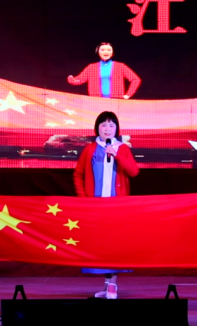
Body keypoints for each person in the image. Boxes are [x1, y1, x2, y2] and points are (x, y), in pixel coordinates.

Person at [73, 111, 140, 299]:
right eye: (103, 125)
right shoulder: (90, 149)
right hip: (95, 205)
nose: (107, 129)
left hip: (117, 205)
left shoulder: (122, 148)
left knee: (115, 243)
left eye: (111, 125)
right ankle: (107, 284)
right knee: (100, 244)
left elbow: (134, 171)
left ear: (117, 129)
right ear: (97, 129)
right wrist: (83, 199)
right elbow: (78, 174)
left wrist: (116, 155)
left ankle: (113, 285)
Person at [67, 42, 142, 99]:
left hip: (116, 101)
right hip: (96, 101)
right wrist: (70, 78)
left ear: (113, 53)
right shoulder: (91, 67)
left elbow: (135, 79)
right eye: (102, 50)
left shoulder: (120, 66)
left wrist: (128, 94)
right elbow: (79, 80)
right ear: (98, 52)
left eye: (109, 50)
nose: (106, 52)